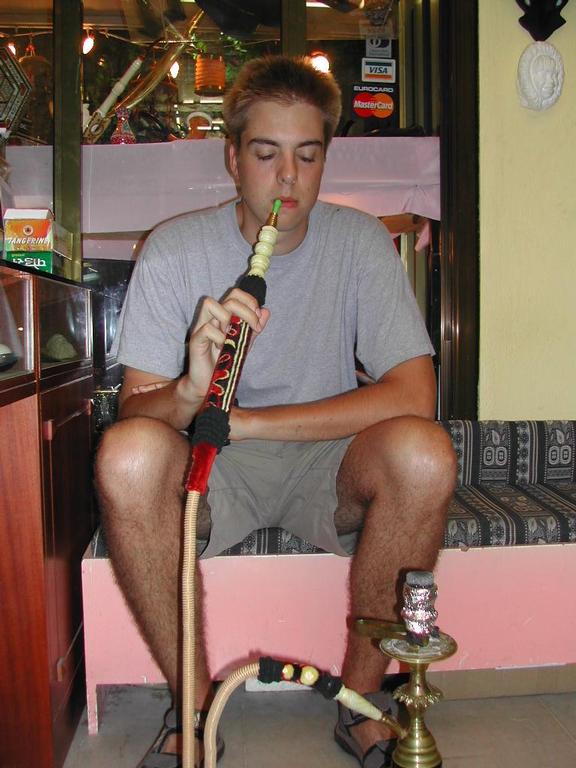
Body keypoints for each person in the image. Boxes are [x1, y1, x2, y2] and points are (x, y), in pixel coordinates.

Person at [95, 55, 456, 768]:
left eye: (307, 155)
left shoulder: (357, 244)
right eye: (266, 154)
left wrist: (251, 422)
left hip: (326, 463)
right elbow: (137, 411)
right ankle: (195, 711)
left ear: (325, 160)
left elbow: (415, 395)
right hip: (212, 468)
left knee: (425, 453)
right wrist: (191, 394)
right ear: (233, 159)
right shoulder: (174, 249)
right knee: (126, 455)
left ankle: (360, 705)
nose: (287, 179)